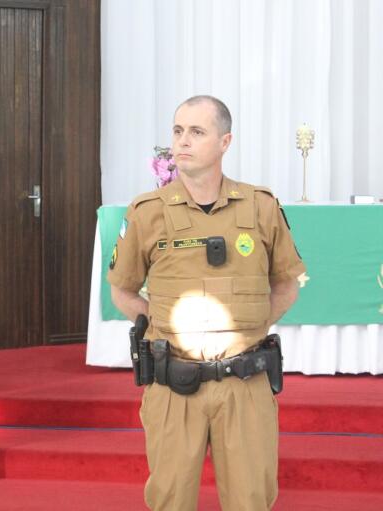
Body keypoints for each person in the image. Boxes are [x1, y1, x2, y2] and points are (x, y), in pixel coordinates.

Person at [108, 96, 305, 511]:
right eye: (178, 131)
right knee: (170, 500)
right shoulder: (146, 212)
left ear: (225, 142)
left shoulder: (261, 207)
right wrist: (160, 322)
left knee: (251, 501)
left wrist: (251, 327)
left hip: (245, 385)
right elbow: (122, 290)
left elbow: (288, 285)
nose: (183, 141)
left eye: (197, 132)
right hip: (174, 386)